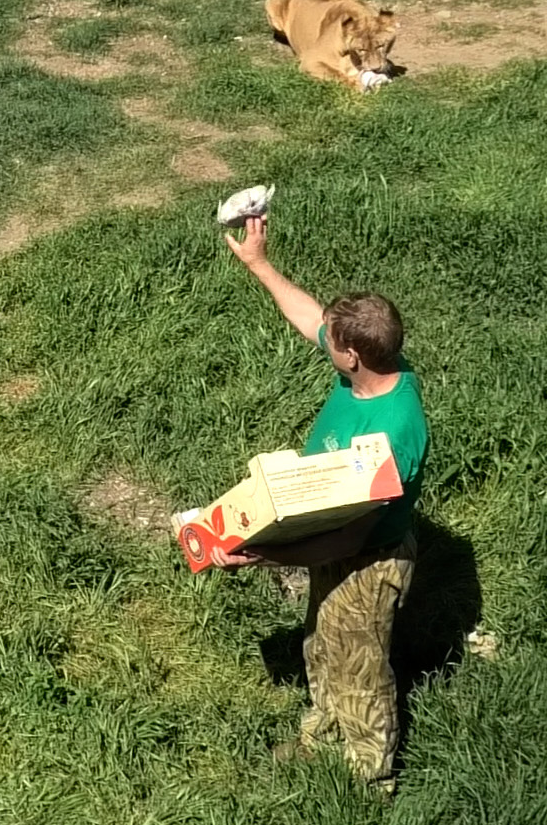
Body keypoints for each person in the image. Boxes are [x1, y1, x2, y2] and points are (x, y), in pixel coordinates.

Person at [213, 215, 428, 793]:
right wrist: (259, 263)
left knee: (359, 669)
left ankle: (369, 779)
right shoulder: (374, 370)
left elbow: (351, 538)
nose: (321, 341)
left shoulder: (389, 437)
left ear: (352, 355)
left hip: (368, 559)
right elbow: (310, 316)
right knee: (322, 644)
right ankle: (323, 736)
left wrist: (266, 556)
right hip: (334, 532)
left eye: (332, 341)